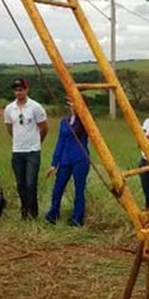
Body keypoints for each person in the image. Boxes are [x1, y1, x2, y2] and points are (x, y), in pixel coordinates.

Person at [3, 78, 48, 220]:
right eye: (16, 90)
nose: (18, 92)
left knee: (30, 183)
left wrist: (37, 142)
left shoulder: (35, 107)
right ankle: (24, 212)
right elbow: (9, 128)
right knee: (21, 184)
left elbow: (44, 128)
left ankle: (33, 213)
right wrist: (17, 140)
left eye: (21, 89)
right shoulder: (10, 108)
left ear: (27, 90)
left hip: (33, 151)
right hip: (17, 151)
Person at [45, 96, 90, 226]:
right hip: (65, 160)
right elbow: (60, 142)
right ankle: (53, 214)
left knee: (79, 189)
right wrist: (54, 164)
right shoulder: (64, 121)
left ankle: (77, 218)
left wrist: (81, 112)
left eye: (74, 102)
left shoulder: (85, 121)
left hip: (80, 159)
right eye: (70, 102)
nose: (71, 105)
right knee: (58, 187)